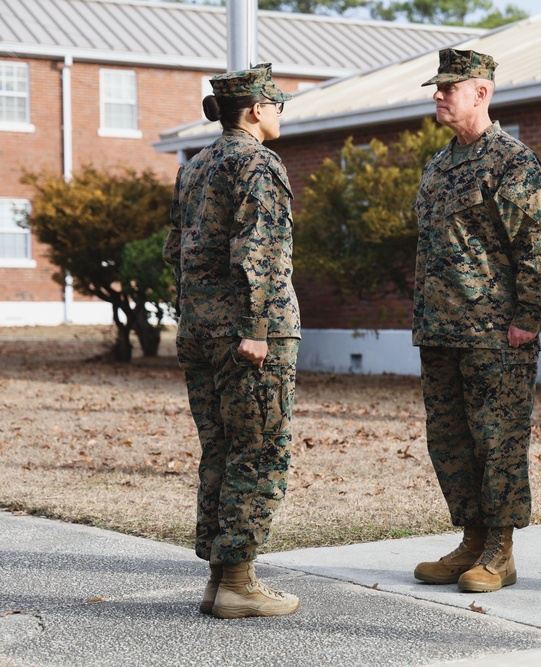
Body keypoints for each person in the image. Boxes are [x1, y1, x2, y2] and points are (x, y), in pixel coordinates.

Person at [410, 48, 541, 593]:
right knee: (449, 440)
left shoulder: (511, 160)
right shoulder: (438, 164)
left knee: (497, 440)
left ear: (482, 92)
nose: (438, 95)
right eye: (437, 87)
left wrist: (528, 317)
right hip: (440, 329)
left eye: (448, 87)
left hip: (495, 333)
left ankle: (501, 550)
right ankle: (471, 539)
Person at [163, 63, 301, 618]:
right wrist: (258, 327)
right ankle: (239, 582)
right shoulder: (258, 162)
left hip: (200, 330)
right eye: (277, 104)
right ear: (257, 110)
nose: (280, 113)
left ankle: (220, 578)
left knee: (220, 450)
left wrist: (196, 318)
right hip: (246, 333)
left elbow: (174, 252)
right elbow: (259, 251)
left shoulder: (195, 167)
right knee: (259, 450)